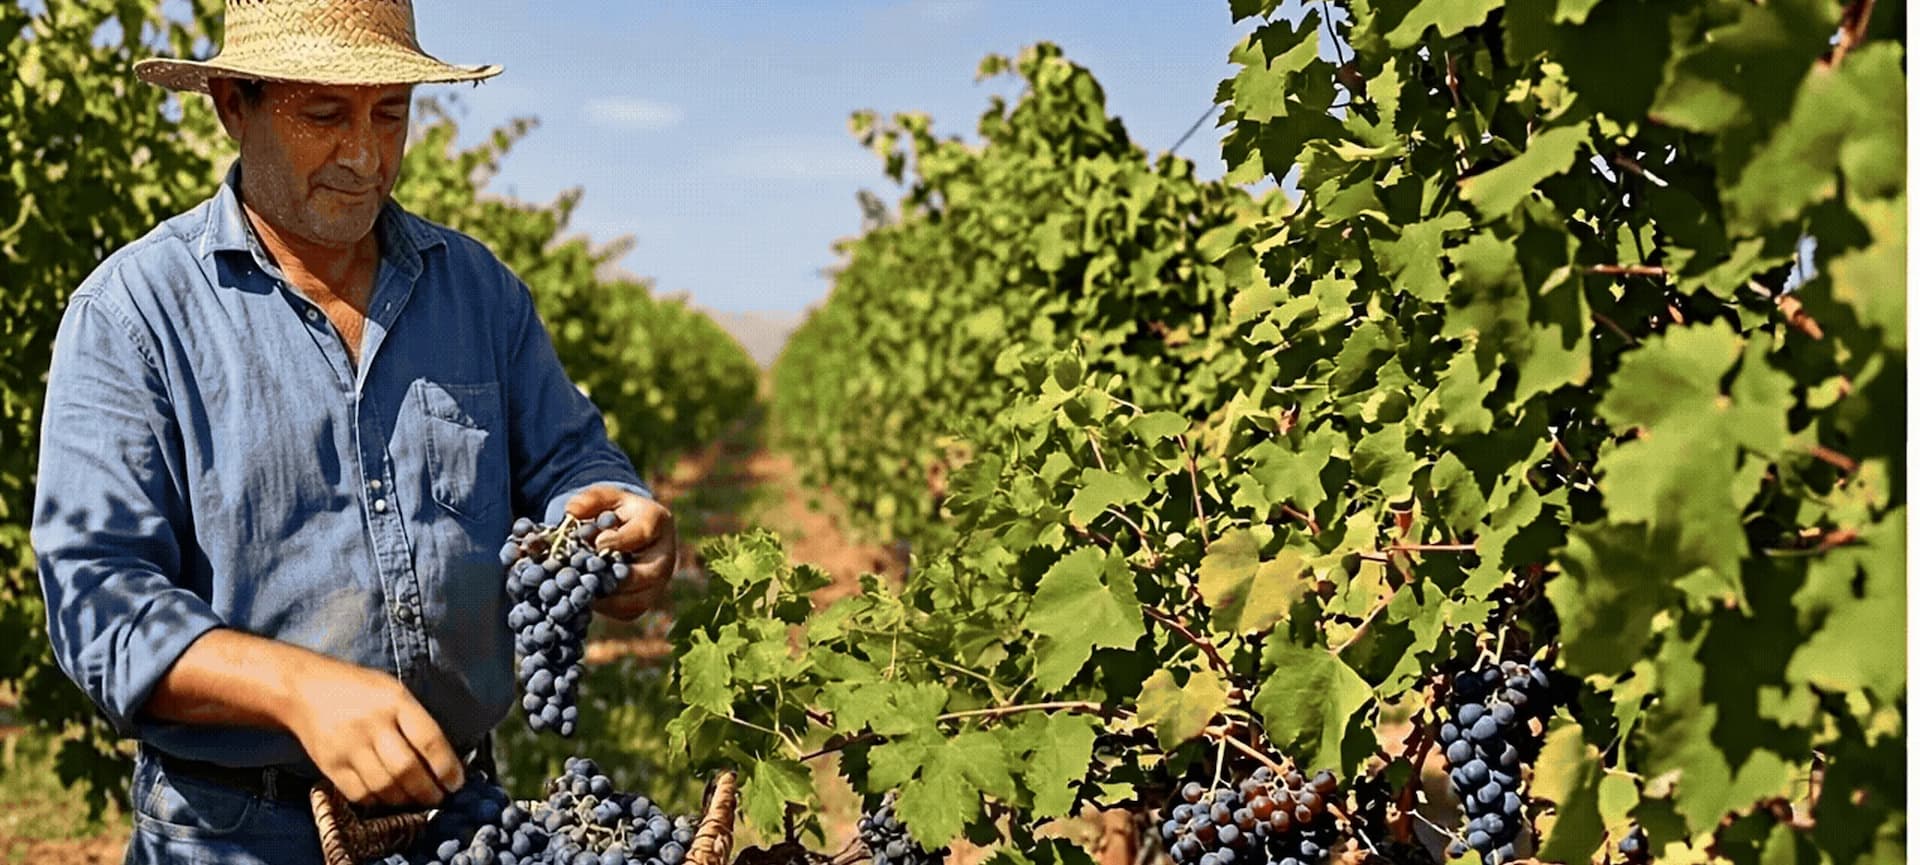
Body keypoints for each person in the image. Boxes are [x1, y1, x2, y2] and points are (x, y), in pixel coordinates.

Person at [29, 2, 677, 863]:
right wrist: (296, 688)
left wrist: (614, 509)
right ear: (234, 103)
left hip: (461, 823)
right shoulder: (133, 314)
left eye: (391, 112)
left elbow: (569, 458)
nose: (367, 155)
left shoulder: (479, 292)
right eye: (326, 114)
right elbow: (94, 596)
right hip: (233, 833)